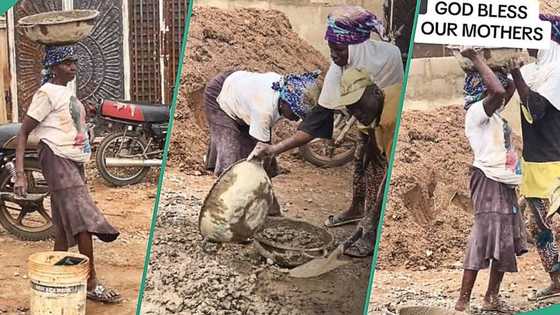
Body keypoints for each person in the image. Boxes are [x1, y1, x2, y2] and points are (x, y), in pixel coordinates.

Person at [249, 6, 403, 257]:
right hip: (372, 115)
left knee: (380, 173)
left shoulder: (388, 62)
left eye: (339, 49)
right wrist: (274, 149)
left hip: (385, 119)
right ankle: (357, 209)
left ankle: (373, 232)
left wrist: (372, 219)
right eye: (331, 48)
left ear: (356, 46)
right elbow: (317, 121)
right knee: (360, 164)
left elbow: (383, 119)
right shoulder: (339, 69)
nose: (333, 55)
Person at [14, 45, 121, 303]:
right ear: (53, 67)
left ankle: (56, 275)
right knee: (83, 220)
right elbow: (23, 132)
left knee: (63, 224)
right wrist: (19, 173)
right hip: (56, 159)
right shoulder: (46, 93)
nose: (73, 66)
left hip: (72, 162)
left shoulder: (65, 92)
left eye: (74, 62)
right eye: (66, 62)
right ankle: (90, 282)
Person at [454, 47, 528, 312]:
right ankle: (463, 300)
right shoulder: (476, 113)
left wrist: (510, 67)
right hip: (487, 179)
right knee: (483, 236)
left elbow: (505, 89)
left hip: (505, 182)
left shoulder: (494, 114)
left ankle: (491, 297)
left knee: (504, 237)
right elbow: (498, 92)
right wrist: (475, 58)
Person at [508, 14, 560, 301]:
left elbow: (537, 109)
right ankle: (556, 278)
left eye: (530, 35)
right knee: (539, 227)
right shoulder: (533, 70)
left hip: (555, 162)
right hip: (535, 160)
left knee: (555, 225)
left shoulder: (558, 68)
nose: (524, 43)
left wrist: (516, 73)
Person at [203, 70, 319, 177]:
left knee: (253, 147)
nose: (296, 119)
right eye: (296, 113)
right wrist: (263, 175)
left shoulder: (285, 87)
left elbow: (264, 146)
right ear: (285, 102)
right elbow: (262, 148)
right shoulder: (263, 111)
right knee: (229, 148)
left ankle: (213, 164)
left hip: (239, 88)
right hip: (218, 94)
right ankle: (224, 180)